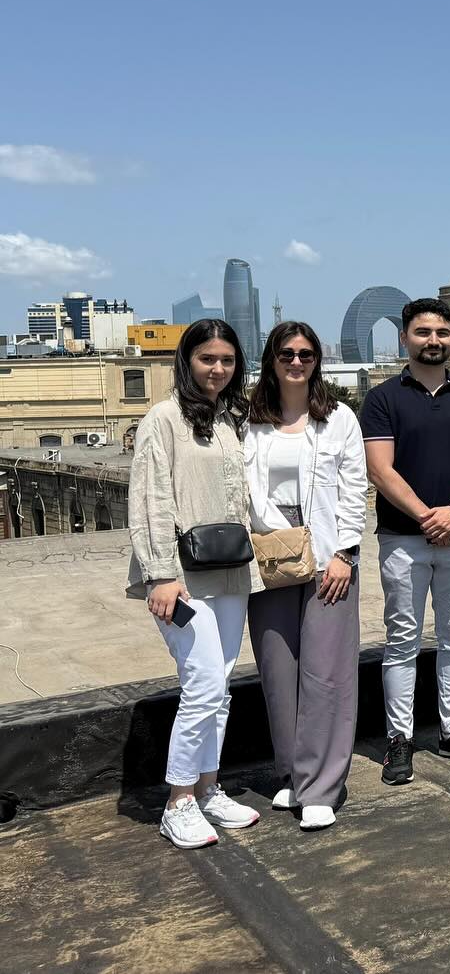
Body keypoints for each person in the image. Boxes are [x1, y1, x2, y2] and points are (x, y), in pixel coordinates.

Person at [127, 319, 260, 848]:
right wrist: (160, 572)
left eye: (227, 360)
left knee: (218, 686)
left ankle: (207, 787)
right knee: (203, 682)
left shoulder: (231, 418)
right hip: (180, 577)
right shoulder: (164, 418)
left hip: (230, 571)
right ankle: (178, 800)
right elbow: (151, 497)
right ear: (187, 361)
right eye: (207, 359)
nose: (218, 369)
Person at [360, 297, 450, 784]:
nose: (433, 340)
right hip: (403, 539)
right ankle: (399, 738)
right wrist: (428, 517)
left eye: (442, 332)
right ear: (405, 338)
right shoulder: (383, 398)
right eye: (423, 332)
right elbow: (380, 469)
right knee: (402, 639)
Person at [245, 321, 367, 830]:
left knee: (327, 670)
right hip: (269, 552)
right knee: (279, 667)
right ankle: (294, 774)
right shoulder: (249, 421)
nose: (296, 362)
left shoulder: (338, 418)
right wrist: (275, 535)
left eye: (306, 354)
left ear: (317, 360)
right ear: (272, 360)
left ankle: (322, 785)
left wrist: (345, 553)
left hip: (327, 553)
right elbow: (242, 488)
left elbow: (355, 488)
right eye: (287, 354)